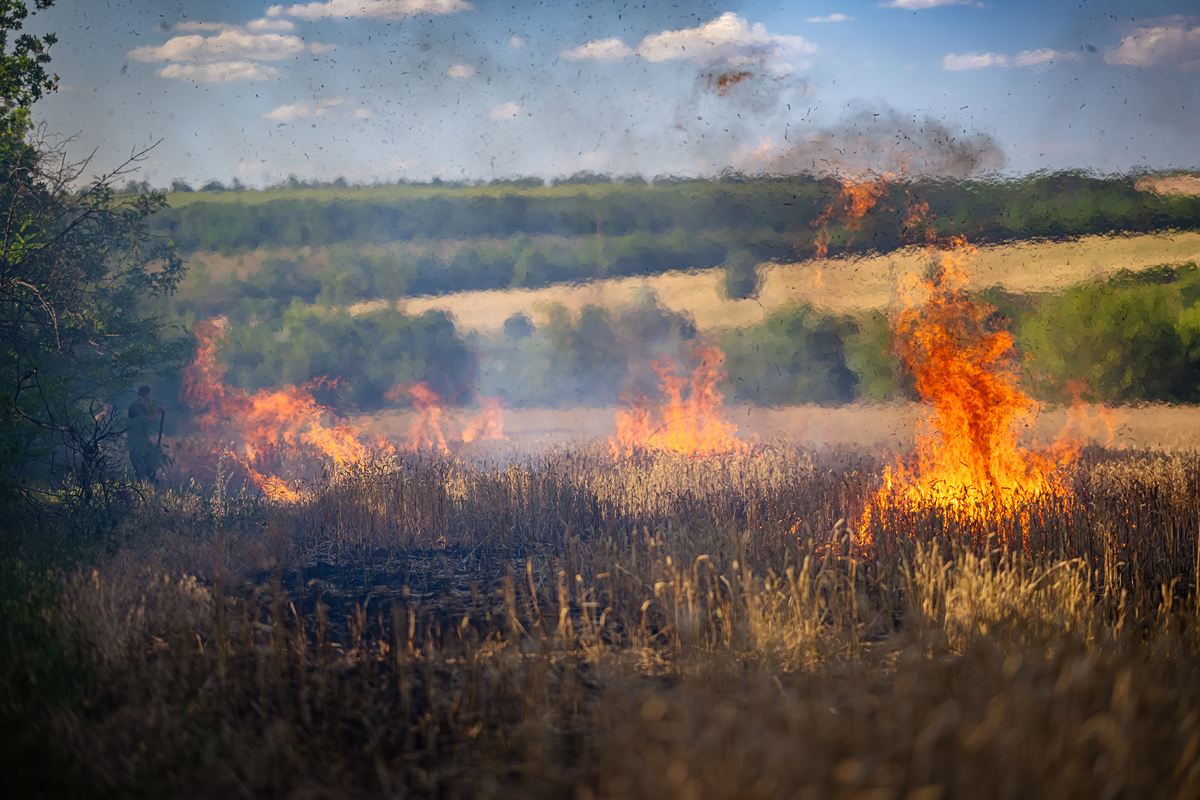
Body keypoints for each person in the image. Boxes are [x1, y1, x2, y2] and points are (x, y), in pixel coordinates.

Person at [127, 385, 164, 482]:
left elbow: (150, 415)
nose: (148, 399)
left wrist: (157, 410)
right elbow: (148, 418)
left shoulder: (145, 406)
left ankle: (153, 483)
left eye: (148, 396)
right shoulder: (134, 407)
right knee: (139, 470)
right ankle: (141, 488)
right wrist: (157, 412)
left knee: (151, 463)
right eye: (147, 396)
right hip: (135, 441)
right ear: (140, 395)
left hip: (144, 440)